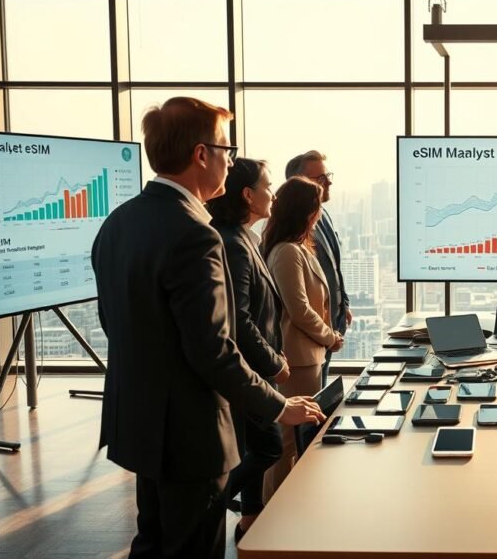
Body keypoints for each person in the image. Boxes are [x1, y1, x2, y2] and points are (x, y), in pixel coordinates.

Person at [91, 97, 324, 559]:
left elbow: (114, 324)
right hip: (189, 434)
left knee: (153, 542)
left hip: (139, 424)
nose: (231, 159)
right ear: (201, 155)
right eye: (226, 148)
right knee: (191, 547)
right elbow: (212, 350)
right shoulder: (195, 233)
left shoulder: (117, 223)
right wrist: (280, 407)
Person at [206, 157, 289, 541]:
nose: (273, 193)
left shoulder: (245, 237)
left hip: (257, 368)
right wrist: (272, 361)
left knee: (258, 445)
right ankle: (212, 501)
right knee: (270, 445)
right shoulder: (233, 243)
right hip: (251, 370)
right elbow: (240, 319)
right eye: (268, 186)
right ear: (248, 194)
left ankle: (251, 518)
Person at [262, 176, 344, 494]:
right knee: (287, 442)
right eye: (317, 206)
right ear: (306, 211)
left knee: (298, 440)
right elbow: (299, 309)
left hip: (307, 357)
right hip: (296, 360)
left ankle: (288, 510)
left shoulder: (298, 248)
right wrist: (329, 337)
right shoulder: (286, 252)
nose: (321, 213)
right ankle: (270, 518)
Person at [286, 150, 350, 387]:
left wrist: (343, 304)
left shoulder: (324, 216)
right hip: (312, 335)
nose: (329, 182)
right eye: (321, 179)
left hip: (331, 323)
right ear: (300, 183)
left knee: (321, 389)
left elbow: (333, 267)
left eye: (328, 176)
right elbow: (298, 303)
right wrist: (325, 331)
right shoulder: (293, 230)